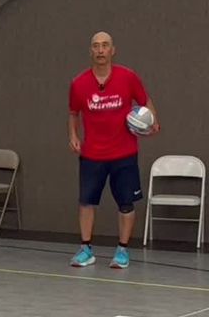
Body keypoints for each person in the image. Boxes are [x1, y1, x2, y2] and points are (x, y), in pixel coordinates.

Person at [68, 32, 159, 269]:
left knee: (126, 204)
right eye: (96, 46)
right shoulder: (79, 83)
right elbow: (73, 112)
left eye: (105, 46)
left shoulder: (128, 77)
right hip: (92, 155)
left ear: (112, 50)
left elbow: (145, 100)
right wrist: (74, 135)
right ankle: (86, 249)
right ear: (91, 51)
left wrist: (153, 121)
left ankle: (122, 251)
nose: (100, 50)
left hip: (124, 154)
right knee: (86, 202)